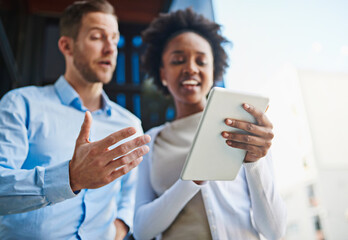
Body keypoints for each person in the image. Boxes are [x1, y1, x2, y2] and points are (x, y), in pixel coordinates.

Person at [0, 0, 151, 239]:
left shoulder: (129, 125)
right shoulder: (21, 104)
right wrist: (71, 178)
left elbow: (129, 193)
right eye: (97, 37)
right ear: (67, 46)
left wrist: (122, 225)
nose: (110, 48)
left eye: (114, 38)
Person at [133, 8, 287, 240]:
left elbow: (275, 231)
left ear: (214, 70)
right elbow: (142, 230)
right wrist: (191, 179)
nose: (191, 68)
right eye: (178, 60)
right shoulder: (151, 142)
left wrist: (255, 164)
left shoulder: (246, 130)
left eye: (201, 61)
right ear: (162, 73)